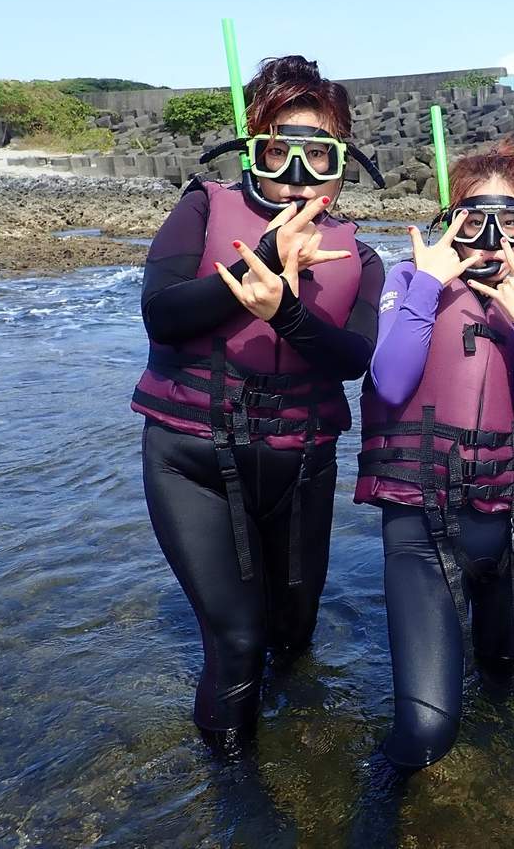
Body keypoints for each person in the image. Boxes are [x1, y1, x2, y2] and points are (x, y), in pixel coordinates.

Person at [131, 55, 384, 754]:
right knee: (238, 640)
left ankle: (304, 751)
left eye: (318, 154)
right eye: (279, 150)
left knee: (294, 635)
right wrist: (262, 260)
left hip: (300, 464)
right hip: (191, 459)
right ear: (253, 151)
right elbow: (161, 314)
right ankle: (235, 794)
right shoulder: (202, 208)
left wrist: (287, 313)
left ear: (341, 163)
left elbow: (353, 359)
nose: (298, 172)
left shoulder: (361, 257)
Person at [354, 140, 514, 770]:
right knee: (426, 730)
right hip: (422, 527)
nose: (492, 240)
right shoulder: (408, 280)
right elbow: (390, 381)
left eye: (512, 224)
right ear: (450, 223)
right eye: (475, 221)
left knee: (506, 693)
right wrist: (428, 283)